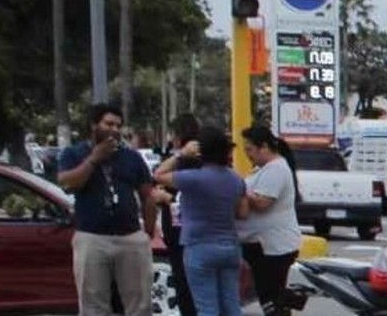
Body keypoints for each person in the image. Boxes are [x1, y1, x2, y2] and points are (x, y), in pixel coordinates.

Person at [57, 103, 157, 316]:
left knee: (140, 304)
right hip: (92, 239)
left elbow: (148, 195)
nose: (115, 129)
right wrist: (94, 159)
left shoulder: (131, 157)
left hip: (130, 238)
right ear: (94, 125)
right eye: (109, 123)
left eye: (119, 125)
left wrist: (146, 234)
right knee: (93, 305)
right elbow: (67, 184)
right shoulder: (74, 153)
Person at [154, 126, 248, 316]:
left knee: (207, 307)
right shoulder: (236, 179)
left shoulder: (193, 179)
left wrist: (181, 154)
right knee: (231, 305)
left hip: (200, 246)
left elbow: (159, 174)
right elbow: (242, 213)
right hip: (230, 247)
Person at [238, 125, 302, 316]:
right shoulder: (264, 169)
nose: (247, 154)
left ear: (264, 147)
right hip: (260, 245)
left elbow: (263, 202)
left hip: (273, 247)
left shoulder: (276, 169)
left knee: (272, 300)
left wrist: (240, 189)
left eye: (249, 149)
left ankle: (293, 298)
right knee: (271, 297)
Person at [152, 113, 201, 316]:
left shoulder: (184, 162)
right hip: (182, 232)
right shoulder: (202, 162)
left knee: (187, 288)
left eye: (172, 134)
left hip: (185, 233)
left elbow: (157, 175)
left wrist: (165, 197)